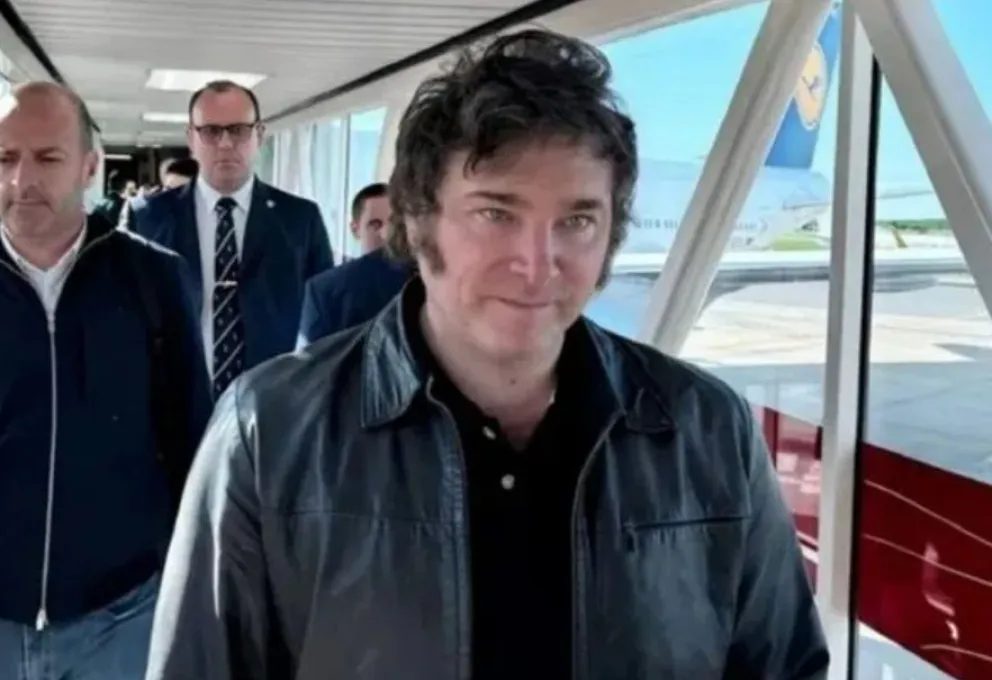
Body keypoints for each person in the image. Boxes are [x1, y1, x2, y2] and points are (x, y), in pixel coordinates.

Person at [146, 30, 829, 680]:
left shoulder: (709, 432)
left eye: (576, 220)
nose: (537, 264)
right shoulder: (269, 433)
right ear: (418, 221)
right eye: (496, 214)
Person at [0, 82, 211, 678]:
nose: (21, 180)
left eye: (47, 158)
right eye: (5, 158)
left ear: (90, 167)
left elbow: (190, 435)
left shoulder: (152, 279)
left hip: (119, 611)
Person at [132, 80, 334, 400]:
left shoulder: (300, 219)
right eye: (211, 131)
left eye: (238, 130)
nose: (225, 144)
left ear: (259, 135)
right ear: (191, 138)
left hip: (273, 402)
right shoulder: (148, 218)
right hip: (174, 403)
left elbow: (324, 324)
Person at [297, 182, 413, 344]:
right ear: (355, 229)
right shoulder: (325, 290)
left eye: (394, 223)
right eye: (375, 225)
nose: (386, 234)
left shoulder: (324, 288)